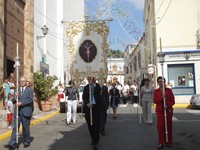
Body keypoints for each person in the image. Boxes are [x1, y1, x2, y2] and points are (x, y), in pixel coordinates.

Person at [4, 76, 34, 149]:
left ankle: (26, 141)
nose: (22, 82)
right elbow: (13, 100)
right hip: (17, 111)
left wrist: (21, 103)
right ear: (19, 82)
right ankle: (12, 143)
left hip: (26, 111)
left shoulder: (30, 90)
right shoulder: (17, 90)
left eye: (24, 81)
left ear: (26, 82)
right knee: (15, 128)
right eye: (21, 81)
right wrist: (15, 96)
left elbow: (30, 100)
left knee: (25, 127)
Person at [154, 76, 175, 149]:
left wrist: (168, 106)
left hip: (168, 110)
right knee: (160, 126)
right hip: (160, 111)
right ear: (157, 82)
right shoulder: (156, 91)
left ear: (164, 82)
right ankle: (161, 142)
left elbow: (173, 101)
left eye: (162, 81)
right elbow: (155, 101)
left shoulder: (169, 90)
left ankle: (169, 141)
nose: (160, 83)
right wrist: (161, 97)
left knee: (168, 126)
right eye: (159, 81)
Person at [83, 76, 101, 150]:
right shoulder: (86, 87)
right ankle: (93, 138)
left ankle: (95, 141)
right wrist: (87, 103)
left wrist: (93, 84)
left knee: (96, 125)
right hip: (88, 108)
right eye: (89, 78)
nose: (90, 80)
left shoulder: (97, 86)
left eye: (92, 78)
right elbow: (84, 97)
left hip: (96, 107)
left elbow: (98, 91)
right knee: (90, 124)